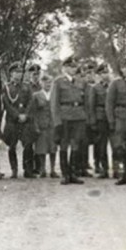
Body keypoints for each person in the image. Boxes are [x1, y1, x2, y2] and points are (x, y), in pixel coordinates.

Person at [50, 55, 89, 185]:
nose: (73, 69)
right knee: (64, 145)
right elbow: (54, 103)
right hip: (65, 117)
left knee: (76, 144)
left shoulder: (80, 82)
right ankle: (65, 174)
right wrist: (57, 122)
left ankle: (73, 173)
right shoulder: (58, 82)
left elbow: (85, 101)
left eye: (74, 67)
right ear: (65, 68)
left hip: (78, 116)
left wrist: (85, 116)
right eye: (71, 67)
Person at [2, 62, 37, 179]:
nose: (19, 74)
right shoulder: (7, 87)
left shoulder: (27, 87)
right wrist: (17, 115)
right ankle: (14, 170)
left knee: (28, 145)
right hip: (13, 120)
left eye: (20, 72)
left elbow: (31, 102)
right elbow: (7, 104)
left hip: (26, 120)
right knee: (12, 145)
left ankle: (28, 170)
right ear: (11, 74)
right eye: (16, 72)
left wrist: (25, 115)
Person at [32, 74, 59, 178]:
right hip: (41, 125)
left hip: (53, 124)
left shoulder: (54, 95)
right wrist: (36, 126)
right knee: (41, 148)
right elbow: (33, 113)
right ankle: (42, 169)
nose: (48, 84)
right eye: (45, 82)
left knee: (53, 147)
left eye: (50, 82)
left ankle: (53, 170)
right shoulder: (36, 95)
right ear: (41, 83)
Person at [87, 63, 111, 179]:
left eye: (107, 72)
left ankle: (115, 168)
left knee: (115, 144)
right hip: (100, 117)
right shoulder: (95, 88)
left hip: (111, 118)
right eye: (103, 73)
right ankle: (103, 168)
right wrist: (93, 121)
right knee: (101, 145)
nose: (106, 75)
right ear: (99, 75)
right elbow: (91, 106)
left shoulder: (112, 86)